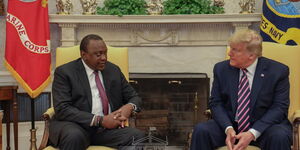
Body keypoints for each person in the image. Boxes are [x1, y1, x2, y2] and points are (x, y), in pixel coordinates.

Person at [190, 29, 292, 150]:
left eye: (235, 50)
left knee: (279, 136)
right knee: (201, 130)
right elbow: (216, 103)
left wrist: (252, 133)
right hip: (231, 127)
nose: (229, 54)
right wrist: (228, 128)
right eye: (230, 48)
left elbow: (279, 107)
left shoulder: (277, 71)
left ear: (251, 55)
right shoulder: (221, 69)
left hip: (264, 128)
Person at [49, 34, 145, 150]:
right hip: (77, 126)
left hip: (106, 131)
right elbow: (62, 109)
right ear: (84, 55)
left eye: (105, 53)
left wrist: (129, 107)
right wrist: (100, 120)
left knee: (137, 137)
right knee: (74, 136)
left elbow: (134, 97)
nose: (104, 58)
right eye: (98, 54)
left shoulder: (113, 70)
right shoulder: (65, 72)